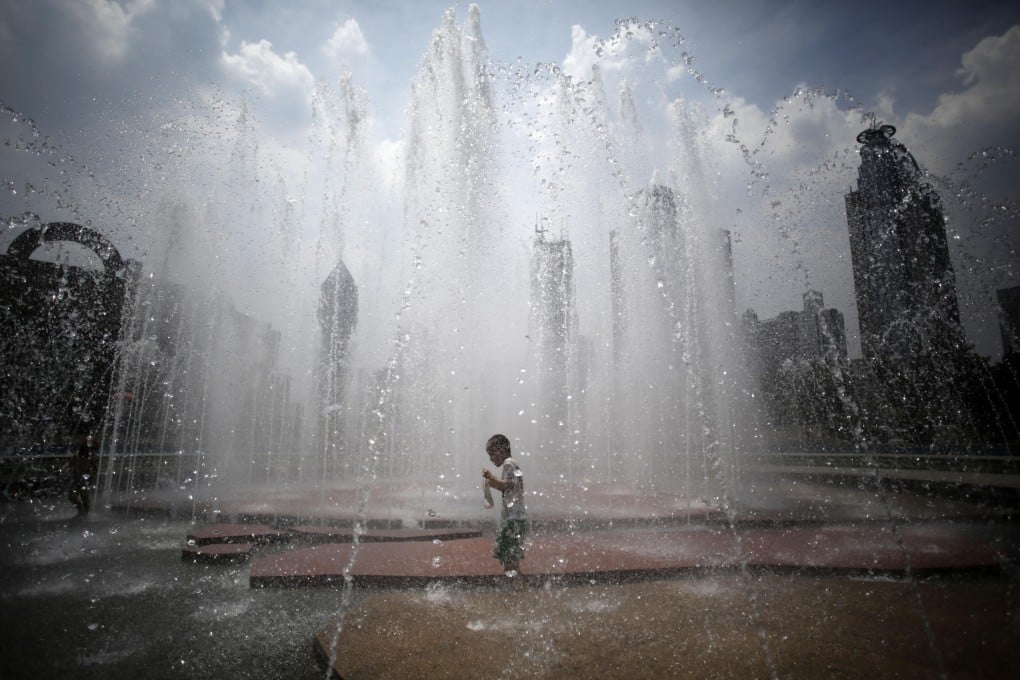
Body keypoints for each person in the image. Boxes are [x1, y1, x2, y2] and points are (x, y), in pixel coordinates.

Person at [481, 433, 527, 578]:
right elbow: (510, 487)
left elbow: (507, 486)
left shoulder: (508, 463)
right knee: (510, 553)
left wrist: (491, 477)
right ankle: (518, 581)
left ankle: (518, 584)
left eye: (491, 454)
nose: (491, 459)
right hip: (516, 517)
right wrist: (492, 484)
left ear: (501, 450)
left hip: (513, 519)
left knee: (505, 552)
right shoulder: (513, 463)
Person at [67, 432, 98, 515]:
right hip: (76, 479)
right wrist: (61, 470)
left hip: (85, 480)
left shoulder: (91, 457)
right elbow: (69, 464)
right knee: (71, 496)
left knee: (85, 498)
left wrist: (93, 477)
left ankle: (85, 515)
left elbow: (95, 468)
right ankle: (80, 509)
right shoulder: (76, 456)